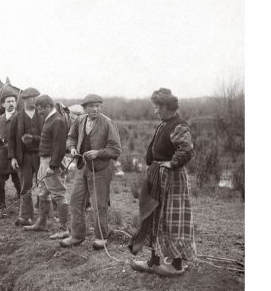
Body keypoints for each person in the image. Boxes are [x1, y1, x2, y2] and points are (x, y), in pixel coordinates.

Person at [129, 88, 196, 277]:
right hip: (158, 176)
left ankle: (176, 265)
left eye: (157, 107)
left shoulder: (178, 125)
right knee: (155, 216)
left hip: (172, 179)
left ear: (167, 107)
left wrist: (171, 163)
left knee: (174, 220)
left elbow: (186, 150)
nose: (155, 111)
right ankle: (154, 262)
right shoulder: (164, 124)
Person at [60, 94, 122, 250]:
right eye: (91, 106)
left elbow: (116, 150)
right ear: (85, 108)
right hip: (82, 168)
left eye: (98, 106)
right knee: (75, 201)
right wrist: (73, 148)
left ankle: (101, 237)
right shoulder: (80, 120)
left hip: (100, 170)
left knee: (98, 204)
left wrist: (98, 153)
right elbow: (70, 137)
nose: (95, 109)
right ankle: (76, 235)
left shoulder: (108, 123)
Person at [24, 95, 70, 232]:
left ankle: (64, 229)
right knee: (43, 193)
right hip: (44, 161)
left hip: (51, 163)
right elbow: (49, 140)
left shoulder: (57, 121)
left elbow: (59, 146)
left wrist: (53, 166)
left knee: (59, 195)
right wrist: (33, 139)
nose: (39, 112)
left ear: (48, 107)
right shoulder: (49, 119)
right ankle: (41, 223)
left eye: (40, 110)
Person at [8, 87, 43, 226]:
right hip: (24, 158)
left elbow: (47, 137)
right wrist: (13, 158)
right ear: (24, 100)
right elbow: (10, 139)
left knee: (44, 185)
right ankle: (25, 216)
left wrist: (33, 138)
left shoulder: (42, 115)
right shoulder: (17, 117)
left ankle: (44, 216)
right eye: (30, 98)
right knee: (25, 186)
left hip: (41, 156)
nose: (33, 100)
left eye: (35, 97)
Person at [0, 87, 22, 218]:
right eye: (8, 101)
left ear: (16, 103)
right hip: (1, 155)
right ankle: (1, 209)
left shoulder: (21, 117)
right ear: (3, 104)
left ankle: (23, 209)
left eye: (13, 101)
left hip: (15, 155)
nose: (10, 104)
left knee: (19, 181)